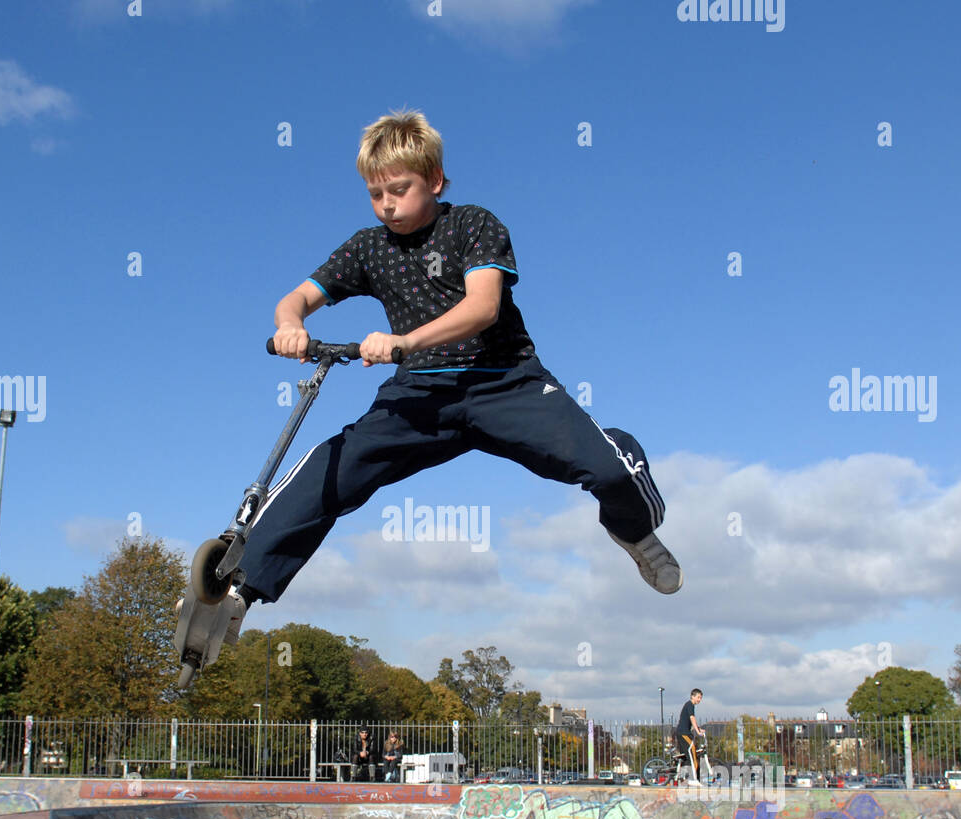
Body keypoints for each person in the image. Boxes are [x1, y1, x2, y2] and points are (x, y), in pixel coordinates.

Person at [202, 109, 681, 647]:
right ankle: (241, 589)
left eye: (399, 190)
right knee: (334, 466)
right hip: (421, 394)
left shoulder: (472, 224)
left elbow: (482, 307)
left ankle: (635, 529)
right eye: (374, 193)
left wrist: (406, 341)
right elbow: (298, 297)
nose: (387, 204)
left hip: (503, 379)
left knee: (608, 470)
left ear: (434, 180)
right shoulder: (367, 247)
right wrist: (290, 324)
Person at [675, 689, 707, 787]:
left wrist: (698, 728)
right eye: (698, 697)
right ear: (692, 696)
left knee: (686, 756)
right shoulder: (690, 705)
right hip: (684, 733)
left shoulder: (689, 705)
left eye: (700, 698)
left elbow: (690, 722)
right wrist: (697, 731)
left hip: (683, 733)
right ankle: (692, 779)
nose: (699, 700)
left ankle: (682, 776)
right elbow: (692, 718)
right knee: (692, 751)